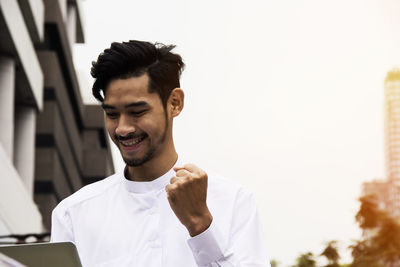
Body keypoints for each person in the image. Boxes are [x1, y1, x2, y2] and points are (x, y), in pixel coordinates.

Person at [51, 40, 270, 267]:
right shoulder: (72, 214)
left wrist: (200, 225)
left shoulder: (233, 202)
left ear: (174, 103)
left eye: (137, 112)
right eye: (112, 114)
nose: (122, 128)